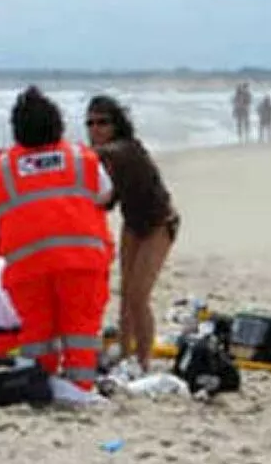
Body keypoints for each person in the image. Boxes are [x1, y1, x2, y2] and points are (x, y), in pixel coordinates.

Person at [0, 86, 114, 393]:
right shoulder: (82, 158)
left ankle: (40, 384)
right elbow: (105, 194)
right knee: (81, 330)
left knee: (37, 331)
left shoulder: (2, 167)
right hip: (82, 260)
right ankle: (80, 387)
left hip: (27, 263)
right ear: (58, 124)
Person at [85, 94, 180, 376]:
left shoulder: (125, 148)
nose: (96, 129)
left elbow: (109, 154)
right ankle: (126, 354)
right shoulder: (107, 157)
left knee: (139, 296)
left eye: (103, 122)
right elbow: (109, 200)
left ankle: (144, 362)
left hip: (160, 224)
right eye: (90, 123)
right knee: (125, 293)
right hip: (133, 223)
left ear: (117, 124)